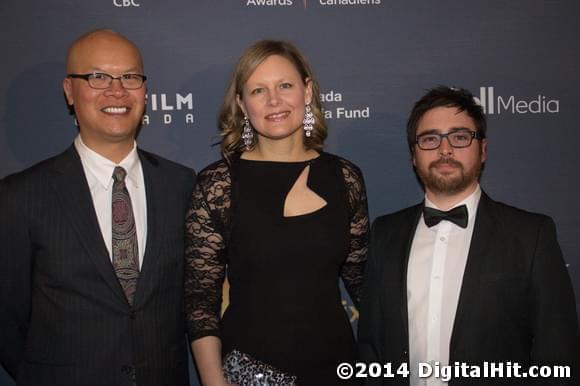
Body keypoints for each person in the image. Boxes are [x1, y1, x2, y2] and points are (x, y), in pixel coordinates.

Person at [0, 29, 195, 386]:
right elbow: (8, 319)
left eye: (130, 77)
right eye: (97, 76)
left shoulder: (181, 185)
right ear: (69, 91)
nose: (116, 90)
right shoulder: (19, 196)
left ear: (145, 91)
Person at [358, 86, 579, 385]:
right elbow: (372, 346)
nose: (445, 149)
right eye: (430, 139)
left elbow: (557, 354)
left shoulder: (531, 235)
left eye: (460, 137)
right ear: (413, 155)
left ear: (483, 149)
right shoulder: (385, 233)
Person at [185, 40, 369, 385]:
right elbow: (200, 299)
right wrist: (213, 381)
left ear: (307, 91)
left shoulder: (345, 177)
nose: (274, 101)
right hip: (250, 374)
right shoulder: (219, 184)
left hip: (338, 369)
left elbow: (364, 285)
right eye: (258, 90)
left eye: (285, 85)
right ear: (241, 104)